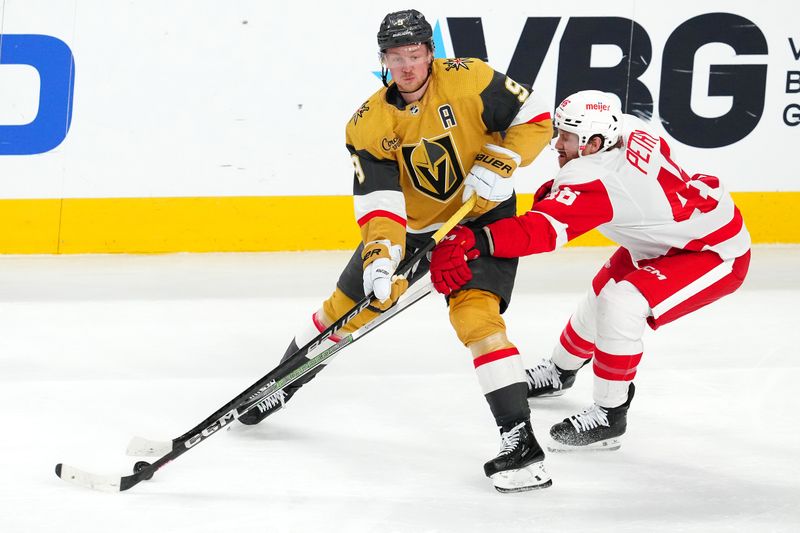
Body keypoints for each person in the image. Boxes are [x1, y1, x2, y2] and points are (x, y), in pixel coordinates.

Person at [239, 9, 555, 491]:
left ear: (431, 53)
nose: (407, 66)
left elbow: (534, 119)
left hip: (479, 219)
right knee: (345, 308)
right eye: (395, 56)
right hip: (412, 228)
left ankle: (521, 442)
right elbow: (381, 202)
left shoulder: (471, 78)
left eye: (415, 54)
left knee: (477, 320)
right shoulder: (367, 124)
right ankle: (282, 382)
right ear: (382, 59)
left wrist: (505, 158)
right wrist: (381, 256)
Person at [429, 89, 751, 452]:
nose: (556, 144)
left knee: (621, 303)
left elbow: (540, 232)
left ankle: (610, 415)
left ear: (593, 142)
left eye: (565, 136)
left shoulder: (598, 179)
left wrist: (476, 239)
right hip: (671, 238)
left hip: (714, 252)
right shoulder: (626, 129)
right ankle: (560, 371)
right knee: (602, 292)